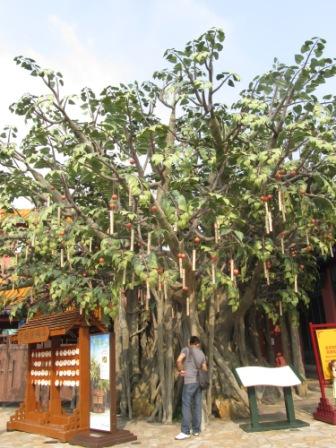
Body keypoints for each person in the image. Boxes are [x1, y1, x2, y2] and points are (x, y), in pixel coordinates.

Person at [175, 336, 207, 440]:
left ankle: (185, 431)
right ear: (197, 343)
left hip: (189, 382)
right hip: (199, 383)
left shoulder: (186, 349)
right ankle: (196, 430)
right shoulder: (202, 353)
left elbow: (179, 360)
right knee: (197, 405)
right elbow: (205, 368)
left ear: (190, 343)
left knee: (186, 405)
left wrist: (181, 371)